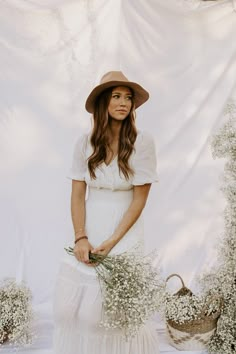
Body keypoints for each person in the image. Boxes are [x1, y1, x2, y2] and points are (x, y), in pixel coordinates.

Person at [53, 71, 159, 354]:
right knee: (67, 309)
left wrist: (112, 242)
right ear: (103, 102)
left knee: (99, 314)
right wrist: (80, 237)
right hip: (90, 224)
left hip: (125, 228)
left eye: (128, 97)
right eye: (116, 96)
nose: (124, 102)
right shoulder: (84, 143)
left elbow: (140, 199)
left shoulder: (142, 141)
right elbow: (77, 194)